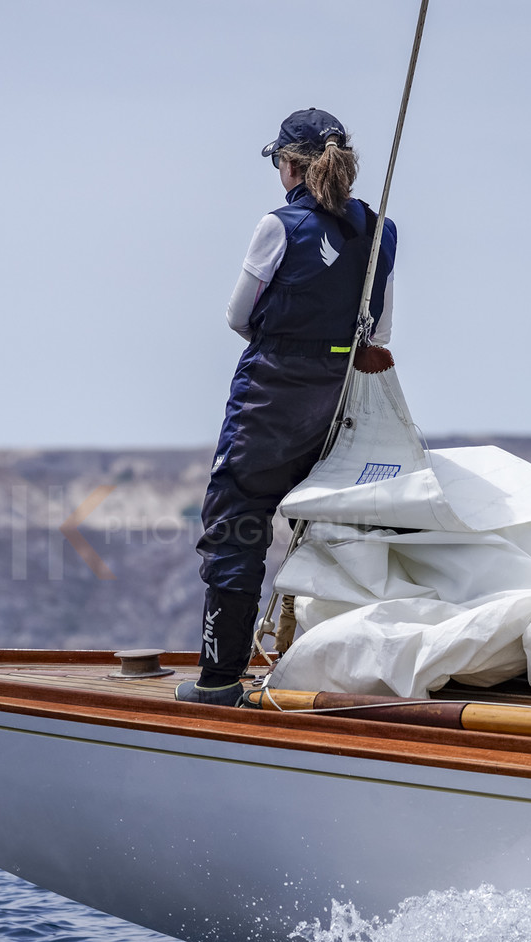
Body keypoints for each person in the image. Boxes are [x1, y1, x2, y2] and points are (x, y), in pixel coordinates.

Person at [177, 108, 397, 706]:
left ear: (290, 165)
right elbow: (380, 331)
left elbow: (238, 317)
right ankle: (329, 672)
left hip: (271, 397)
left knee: (238, 524)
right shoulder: (382, 231)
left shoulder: (278, 225)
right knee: (327, 526)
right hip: (338, 397)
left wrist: (287, 346)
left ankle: (220, 680)